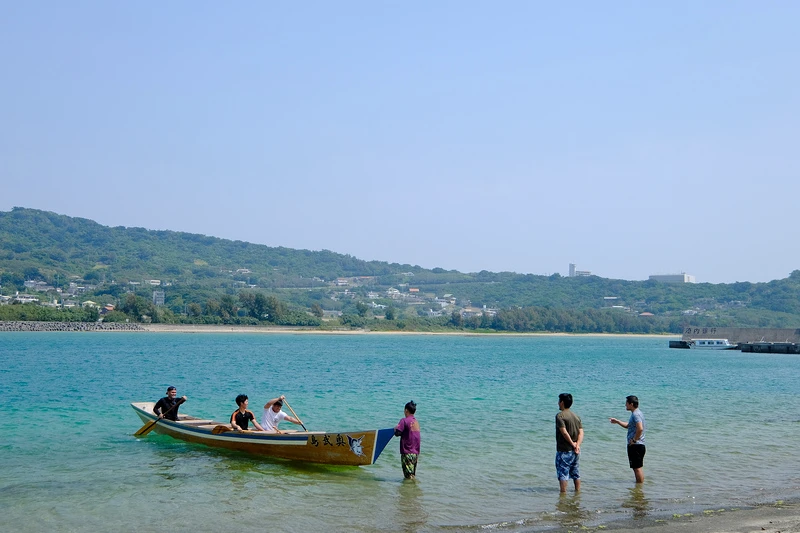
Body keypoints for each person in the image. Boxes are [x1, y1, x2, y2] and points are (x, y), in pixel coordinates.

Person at [610, 395, 646, 483]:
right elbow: (629, 426)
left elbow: (640, 428)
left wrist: (634, 440)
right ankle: (639, 489)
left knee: (637, 468)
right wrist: (618, 422)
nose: (625, 405)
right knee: (637, 468)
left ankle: (639, 490)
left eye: (626, 403)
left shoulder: (636, 414)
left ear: (631, 404)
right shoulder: (638, 413)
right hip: (639, 445)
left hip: (636, 445)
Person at [555, 392, 584, 492]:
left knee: (563, 474)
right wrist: (577, 445)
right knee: (576, 473)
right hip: (575, 451)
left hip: (564, 450)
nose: (558, 403)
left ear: (562, 402)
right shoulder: (576, 416)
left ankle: (563, 495)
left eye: (559, 401)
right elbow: (581, 432)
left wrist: (572, 444)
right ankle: (578, 493)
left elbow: (564, 432)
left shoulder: (560, 416)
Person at [394, 400, 421, 480]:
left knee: (408, 477)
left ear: (406, 410)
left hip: (407, 452)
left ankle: (409, 491)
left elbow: (397, 433)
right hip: (415, 453)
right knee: (412, 475)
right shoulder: (416, 422)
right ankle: (413, 490)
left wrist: (395, 429)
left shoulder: (404, 420)